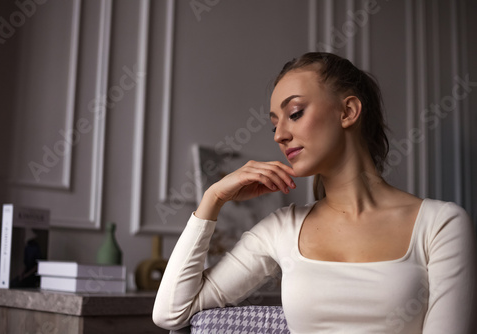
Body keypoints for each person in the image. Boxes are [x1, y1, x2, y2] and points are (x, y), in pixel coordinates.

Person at [153, 52, 476, 333]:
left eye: (294, 114)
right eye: (274, 124)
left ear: (348, 111)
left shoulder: (441, 224)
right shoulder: (282, 228)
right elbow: (171, 312)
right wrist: (213, 199)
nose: (279, 135)